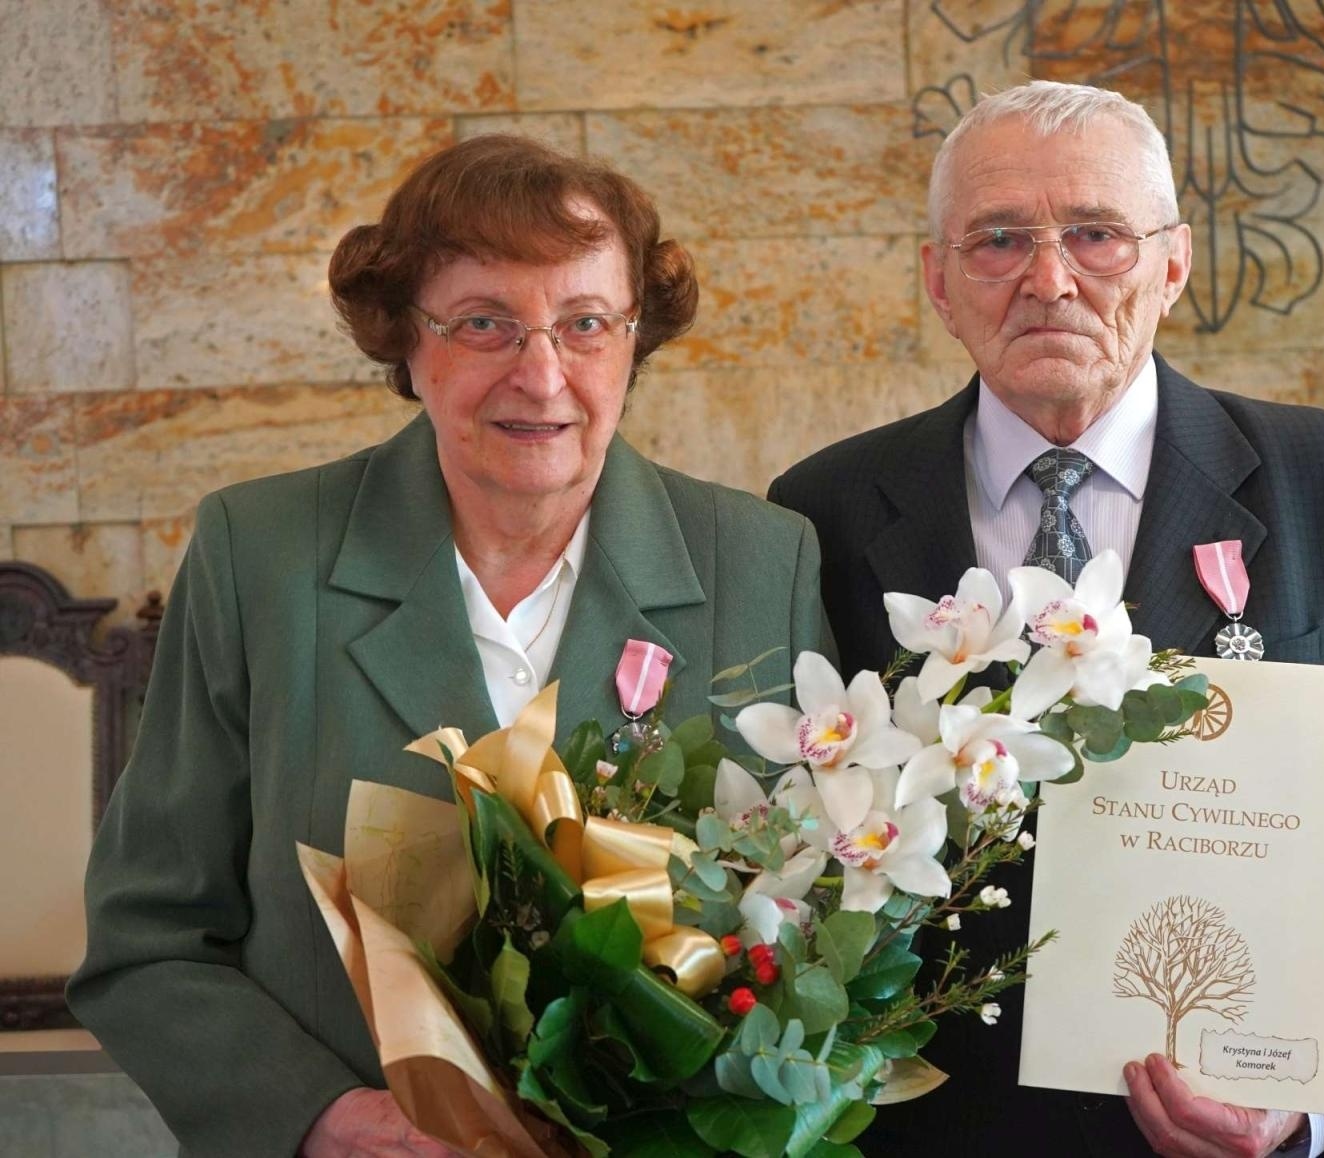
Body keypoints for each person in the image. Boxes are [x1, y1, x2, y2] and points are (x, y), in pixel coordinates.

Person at [769, 82, 1324, 1158]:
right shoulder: (822, 510)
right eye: (998, 239)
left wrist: (1302, 1100)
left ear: (1172, 264)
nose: (1048, 279)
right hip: (928, 1129)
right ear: (938, 279)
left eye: (1097, 236)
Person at [68, 135, 830, 1157]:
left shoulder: (760, 561)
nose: (543, 372)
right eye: (485, 325)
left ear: (632, 340)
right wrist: (325, 1121)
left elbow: (815, 921)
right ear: (407, 343)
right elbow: (147, 939)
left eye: (585, 324)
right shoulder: (262, 557)